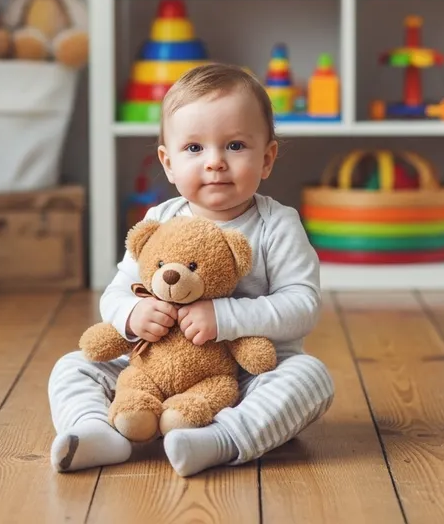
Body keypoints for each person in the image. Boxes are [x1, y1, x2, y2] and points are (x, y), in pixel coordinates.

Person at [49, 63, 334, 477]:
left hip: (247, 374)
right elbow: (115, 293)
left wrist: (224, 318)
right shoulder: (158, 220)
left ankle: (220, 439)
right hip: (153, 368)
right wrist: (132, 315)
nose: (215, 162)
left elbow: (303, 305)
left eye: (235, 146)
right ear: (168, 162)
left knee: (311, 377)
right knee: (73, 365)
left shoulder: (278, 224)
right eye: (195, 148)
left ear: (267, 157)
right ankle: (97, 431)